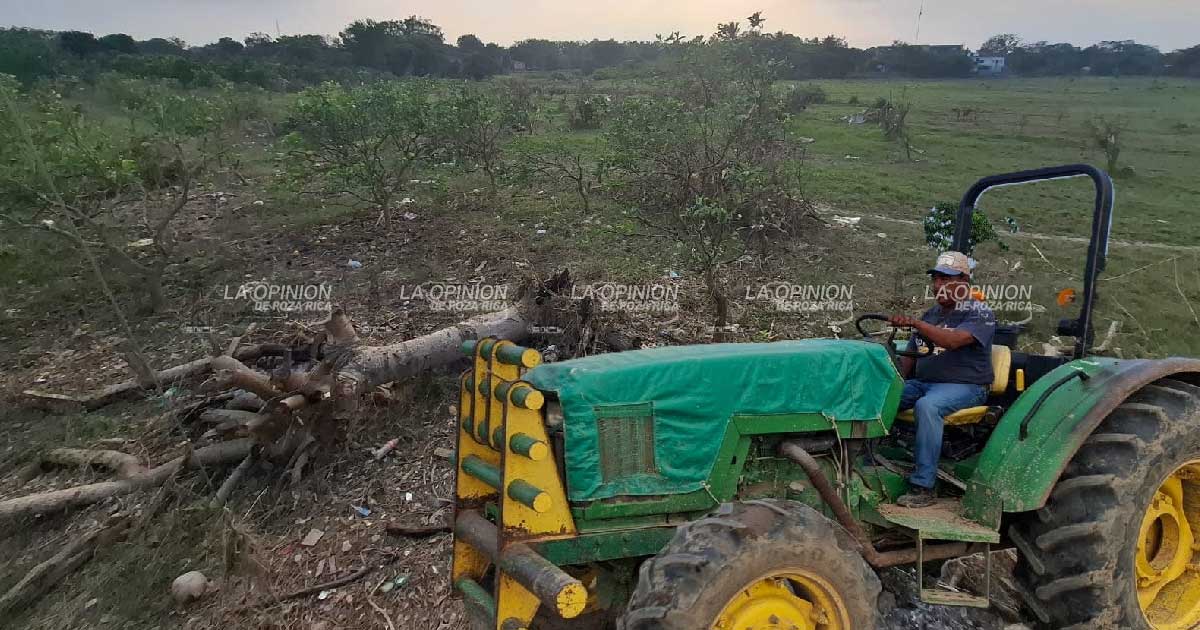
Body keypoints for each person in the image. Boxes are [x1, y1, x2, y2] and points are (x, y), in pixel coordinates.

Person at [889, 251, 996, 508]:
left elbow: (952, 340)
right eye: (936, 279)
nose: (938, 286)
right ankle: (866, 458)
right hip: (925, 383)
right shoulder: (931, 315)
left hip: (967, 387)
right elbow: (910, 359)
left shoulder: (980, 313)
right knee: (883, 395)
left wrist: (915, 324)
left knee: (928, 407)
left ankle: (923, 486)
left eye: (946, 280)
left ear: (964, 281)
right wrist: (894, 384)